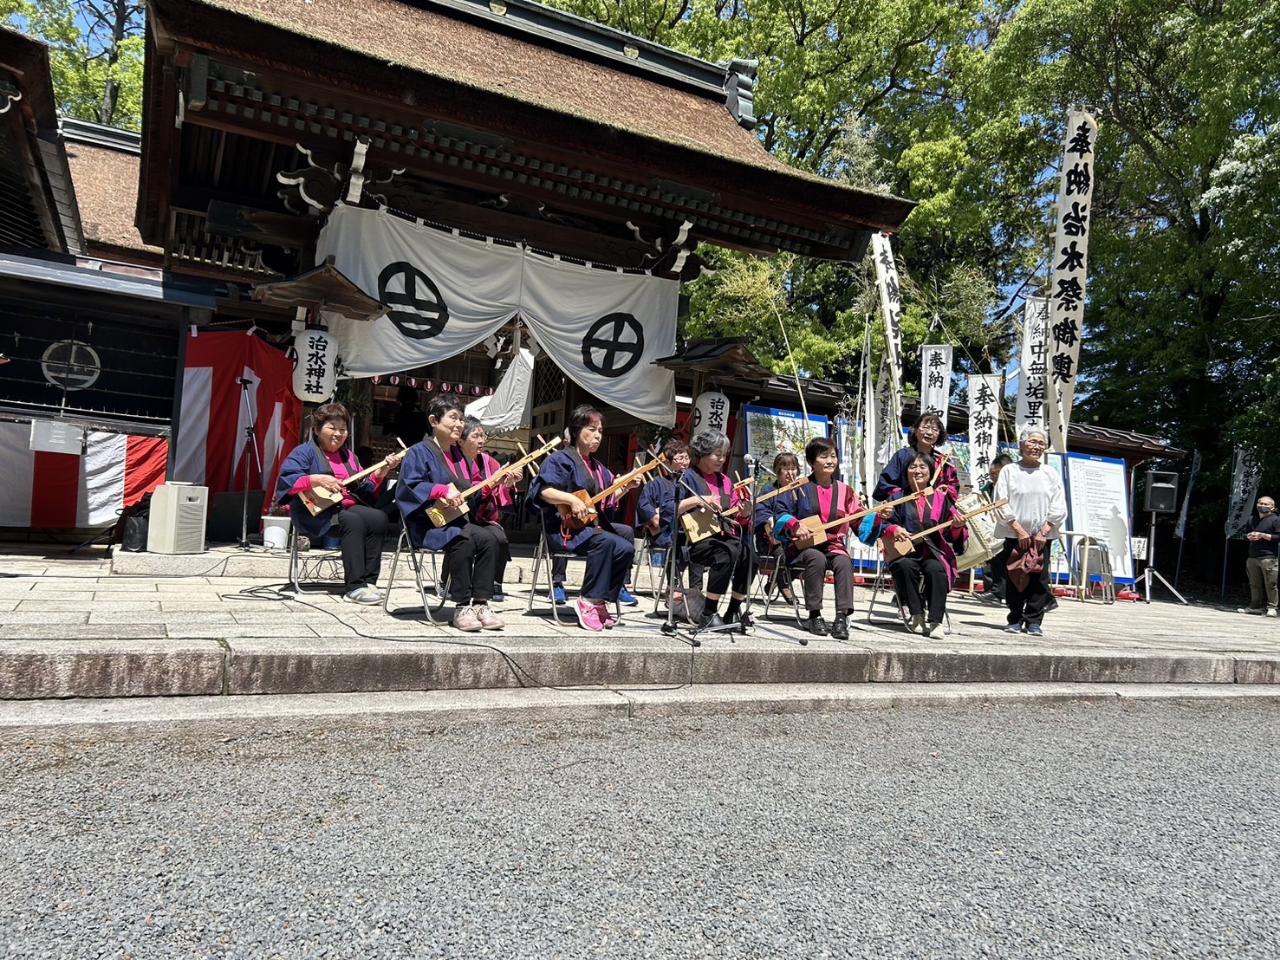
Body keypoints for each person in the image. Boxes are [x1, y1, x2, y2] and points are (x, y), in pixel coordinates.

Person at [396, 395, 508, 632]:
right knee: (463, 539)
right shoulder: (418, 452)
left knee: (489, 538)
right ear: (434, 421)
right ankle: (461, 605)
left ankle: (480, 603)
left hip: (455, 519)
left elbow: (469, 496)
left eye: (461, 419)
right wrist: (439, 490)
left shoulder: (460, 457)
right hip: (428, 524)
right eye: (453, 418)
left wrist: (492, 485)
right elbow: (409, 487)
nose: (459, 424)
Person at [275, 402, 403, 604]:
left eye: (342, 429)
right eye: (332, 428)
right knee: (353, 521)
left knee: (378, 517)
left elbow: (364, 491)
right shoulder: (304, 452)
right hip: (316, 512)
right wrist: (316, 479)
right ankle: (354, 586)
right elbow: (287, 480)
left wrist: (382, 471)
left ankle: (369, 581)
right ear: (317, 430)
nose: (338, 434)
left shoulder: (349, 457)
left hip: (345, 507)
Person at [528, 405, 639, 631]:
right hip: (566, 528)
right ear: (577, 431)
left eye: (600, 431)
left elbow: (605, 500)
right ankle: (588, 599)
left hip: (589, 525)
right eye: (592, 429)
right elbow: (543, 491)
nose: (598, 435)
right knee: (608, 541)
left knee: (626, 542)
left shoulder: (598, 468)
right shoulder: (560, 459)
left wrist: (626, 487)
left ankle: (601, 600)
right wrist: (571, 499)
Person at [768, 438, 865, 639]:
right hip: (803, 547)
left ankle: (841, 617)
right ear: (812, 462)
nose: (830, 460)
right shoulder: (799, 487)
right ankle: (814, 614)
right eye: (824, 456)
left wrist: (879, 519)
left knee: (844, 562)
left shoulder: (845, 491)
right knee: (816, 558)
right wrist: (795, 525)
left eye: (833, 456)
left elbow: (859, 520)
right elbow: (781, 512)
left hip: (834, 545)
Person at [877, 452, 969, 636]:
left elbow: (953, 535)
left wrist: (958, 526)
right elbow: (883, 524)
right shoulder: (897, 497)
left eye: (922, 467)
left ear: (931, 472)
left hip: (932, 552)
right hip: (904, 552)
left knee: (936, 569)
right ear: (905, 471)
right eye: (912, 467)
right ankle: (916, 614)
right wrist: (894, 529)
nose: (917, 471)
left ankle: (936, 621)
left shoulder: (941, 498)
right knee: (905, 566)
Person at [991, 429, 1068, 636]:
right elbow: (1001, 501)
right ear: (1021, 444)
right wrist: (1018, 529)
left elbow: (1059, 505)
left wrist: (1044, 530)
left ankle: (1034, 620)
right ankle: (1014, 618)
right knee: (1016, 575)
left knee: (1039, 578)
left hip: (1043, 535)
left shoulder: (1050, 473)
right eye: (1032, 442)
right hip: (1015, 533)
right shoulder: (1009, 471)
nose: (1036, 447)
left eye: (1041, 443)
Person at [676, 429, 754, 629]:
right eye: (717, 454)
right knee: (726, 552)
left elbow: (736, 514)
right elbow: (672, 510)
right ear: (702, 453)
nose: (722, 459)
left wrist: (744, 513)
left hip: (724, 536)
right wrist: (697, 500)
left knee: (750, 555)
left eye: (724, 454)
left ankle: (733, 609)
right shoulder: (687, 478)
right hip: (695, 540)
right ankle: (709, 611)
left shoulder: (726, 481)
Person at [457, 417, 518, 602]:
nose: (481, 441)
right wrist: (490, 484)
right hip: (461, 514)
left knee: (499, 538)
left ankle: (493, 582)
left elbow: (499, 490)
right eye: (476, 436)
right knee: (461, 537)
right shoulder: (455, 461)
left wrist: (508, 482)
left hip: (483, 516)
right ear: (461, 440)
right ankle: (450, 581)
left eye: (483, 436)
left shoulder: (489, 461)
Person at [874, 412, 960, 502]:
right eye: (925, 427)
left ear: (939, 435)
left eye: (935, 429)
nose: (930, 432)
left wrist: (943, 491)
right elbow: (885, 483)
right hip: (904, 507)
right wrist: (904, 497)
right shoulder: (902, 455)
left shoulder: (942, 461)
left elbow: (953, 486)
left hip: (934, 510)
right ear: (915, 430)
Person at [754, 452, 801, 606]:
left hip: (796, 536)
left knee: (810, 554)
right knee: (782, 551)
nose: (790, 473)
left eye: (793, 468)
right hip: (770, 539)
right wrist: (769, 525)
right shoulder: (769, 489)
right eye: (785, 468)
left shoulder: (801, 489)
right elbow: (761, 512)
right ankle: (784, 585)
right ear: (777, 470)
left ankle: (776, 579)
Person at [979, 453, 1015, 602]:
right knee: (993, 558)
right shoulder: (989, 488)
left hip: (1013, 528)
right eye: (991, 474)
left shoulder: (1014, 486)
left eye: (996, 474)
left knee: (1005, 561)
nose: (993, 477)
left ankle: (999, 592)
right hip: (994, 528)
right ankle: (994, 591)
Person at [1238, 495, 1279, 617]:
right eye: (1260, 503)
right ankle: (1255, 607)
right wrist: (1249, 536)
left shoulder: (1276, 519)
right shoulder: (1252, 519)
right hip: (1252, 556)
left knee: (1271, 583)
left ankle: (1272, 607)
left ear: (1272, 507)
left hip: (1269, 556)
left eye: (1266, 504)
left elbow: (1278, 537)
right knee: (1254, 583)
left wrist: (1263, 535)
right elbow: (1246, 533)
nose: (1262, 506)